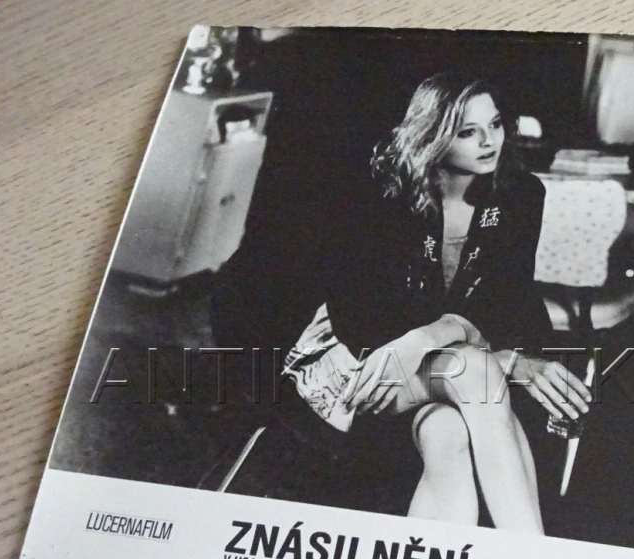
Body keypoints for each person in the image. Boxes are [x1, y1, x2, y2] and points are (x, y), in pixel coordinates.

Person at [213, 72, 592, 533]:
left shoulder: (521, 194)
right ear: (432, 136)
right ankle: (531, 557)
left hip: (441, 368)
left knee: (448, 432)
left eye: (495, 125)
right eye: (467, 132)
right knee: (475, 372)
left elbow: (508, 300)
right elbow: (362, 319)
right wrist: (494, 355)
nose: (488, 142)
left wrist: (433, 335)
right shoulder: (378, 192)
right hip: (357, 364)